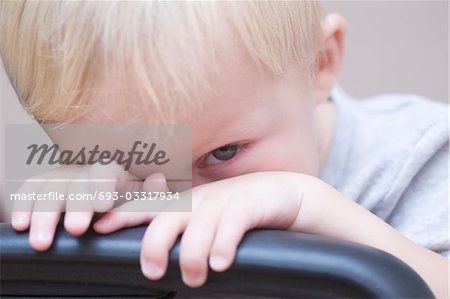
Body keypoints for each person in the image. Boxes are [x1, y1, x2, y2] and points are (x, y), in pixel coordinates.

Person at [0, 2, 448, 297]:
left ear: (320, 64)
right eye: (137, 166)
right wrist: (73, 248)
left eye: (224, 153)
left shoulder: (419, 154)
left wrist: (308, 206)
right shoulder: (108, 202)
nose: (187, 198)